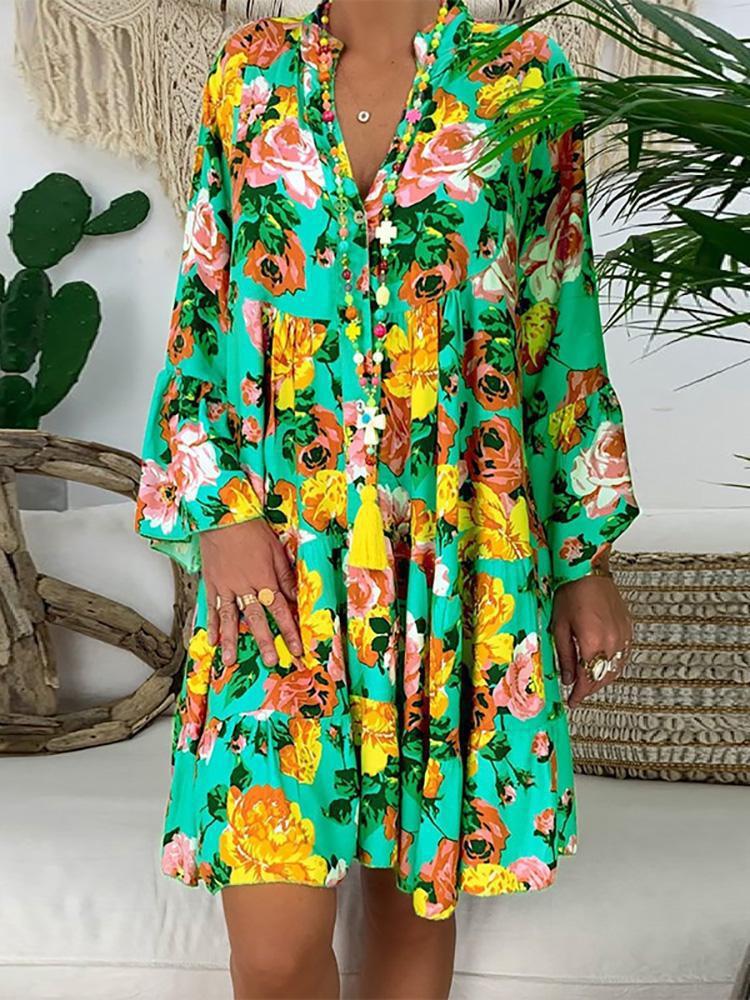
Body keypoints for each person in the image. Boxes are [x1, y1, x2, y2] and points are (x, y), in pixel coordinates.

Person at [134, 0, 641, 996]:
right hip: (282, 556)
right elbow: (203, 305)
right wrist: (220, 512)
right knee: (273, 950)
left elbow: (557, 315)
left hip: (459, 551)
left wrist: (586, 561)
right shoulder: (250, 72)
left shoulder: (523, 76)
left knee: (412, 910)